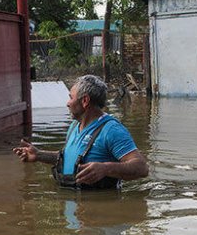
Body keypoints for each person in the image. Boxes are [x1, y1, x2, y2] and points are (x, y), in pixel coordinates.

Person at [13, 75, 148, 189]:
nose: (67, 103)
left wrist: (105, 168)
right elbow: (70, 158)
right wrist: (39, 155)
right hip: (73, 208)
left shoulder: (112, 130)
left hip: (97, 213)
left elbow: (142, 168)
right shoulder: (74, 126)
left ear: (84, 101)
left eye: (71, 98)